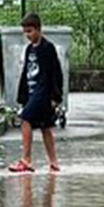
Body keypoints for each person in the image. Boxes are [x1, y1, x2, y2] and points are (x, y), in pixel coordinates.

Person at [9, 13, 64, 173]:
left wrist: (56, 96)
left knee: (25, 118)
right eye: (25, 32)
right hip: (32, 92)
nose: (28, 35)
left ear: (39, 29)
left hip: (44, 92)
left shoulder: (47, 48)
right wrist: (23, 96)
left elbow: (56, 72)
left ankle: (26, 159)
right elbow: (25, 72)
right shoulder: (29, 49)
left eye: (31, 31)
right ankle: (54, 162)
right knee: (45, 126)